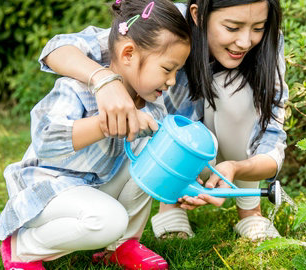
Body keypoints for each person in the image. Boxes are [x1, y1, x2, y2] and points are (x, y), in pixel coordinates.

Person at [39, 0, 288, 241]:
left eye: (258, 28)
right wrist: (103, 80)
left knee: (233, 90)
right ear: (198, 15)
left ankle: (250, 213)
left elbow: (272, 137)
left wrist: (235, 168)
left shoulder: (267, 41)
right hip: (170, 142)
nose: (245, 41)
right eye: (232, 27)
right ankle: (170, 207)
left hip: (212, 145)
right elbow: (59, 48)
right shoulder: (166, 25)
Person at [0, 1, 193, 269]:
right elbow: (45, 140)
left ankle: (122, 245)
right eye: (167, 69)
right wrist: (104, 125)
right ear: (128, 54)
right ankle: (23, 248)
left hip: (95, 184)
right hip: (50, 189)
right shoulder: (76, 89)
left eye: (177, 71)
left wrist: (185, 185)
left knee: (152, 157)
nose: (172, 80)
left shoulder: (152, 102)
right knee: (109, 220)